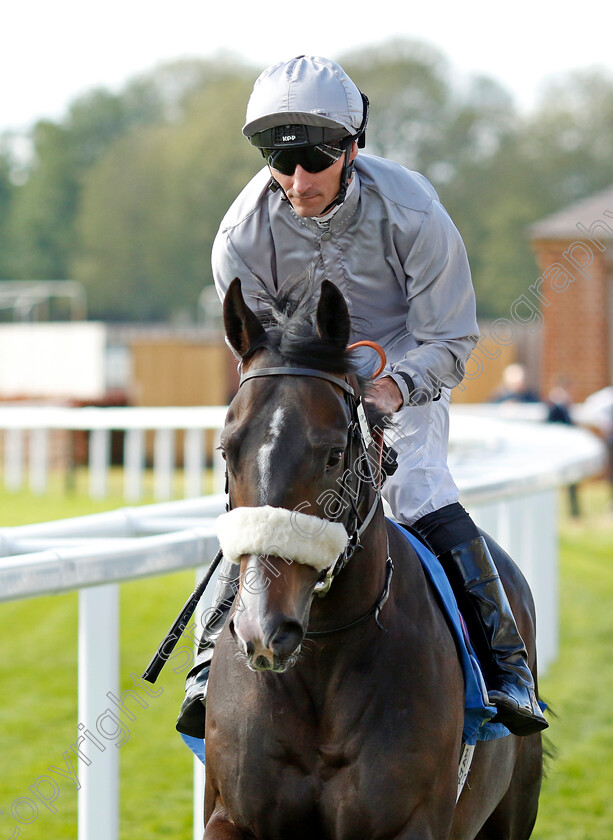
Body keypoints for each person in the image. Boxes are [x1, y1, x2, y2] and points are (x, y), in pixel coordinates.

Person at [177, 55, 547, 738]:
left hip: (404, 367)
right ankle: (207, 665)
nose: (295, 182)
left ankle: (507, 668)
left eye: (313, 161)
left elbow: (452, 337)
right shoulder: (240, 235)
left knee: (419, 494)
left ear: (352, 145)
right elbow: (258, 353)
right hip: (306, 380)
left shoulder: (412, 210)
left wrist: (391, 388)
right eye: (276, 161)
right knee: (261, 505)